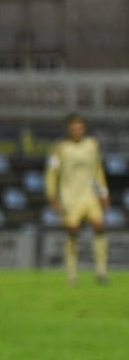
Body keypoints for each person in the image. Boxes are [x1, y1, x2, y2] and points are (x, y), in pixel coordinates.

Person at [46, 113, 110, 284]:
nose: (77, 130)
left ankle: (101, 273)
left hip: (90, 196)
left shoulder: (91, 145)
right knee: (73, 231)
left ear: (84, 128)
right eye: (74, 127)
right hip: (70, 198)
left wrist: (103, 193)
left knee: (99, 226)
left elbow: (98, 170)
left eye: (80, 127)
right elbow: (52, 173)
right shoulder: (60, 148)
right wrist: (52, 195)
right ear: (69, 129)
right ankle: (72, 275)